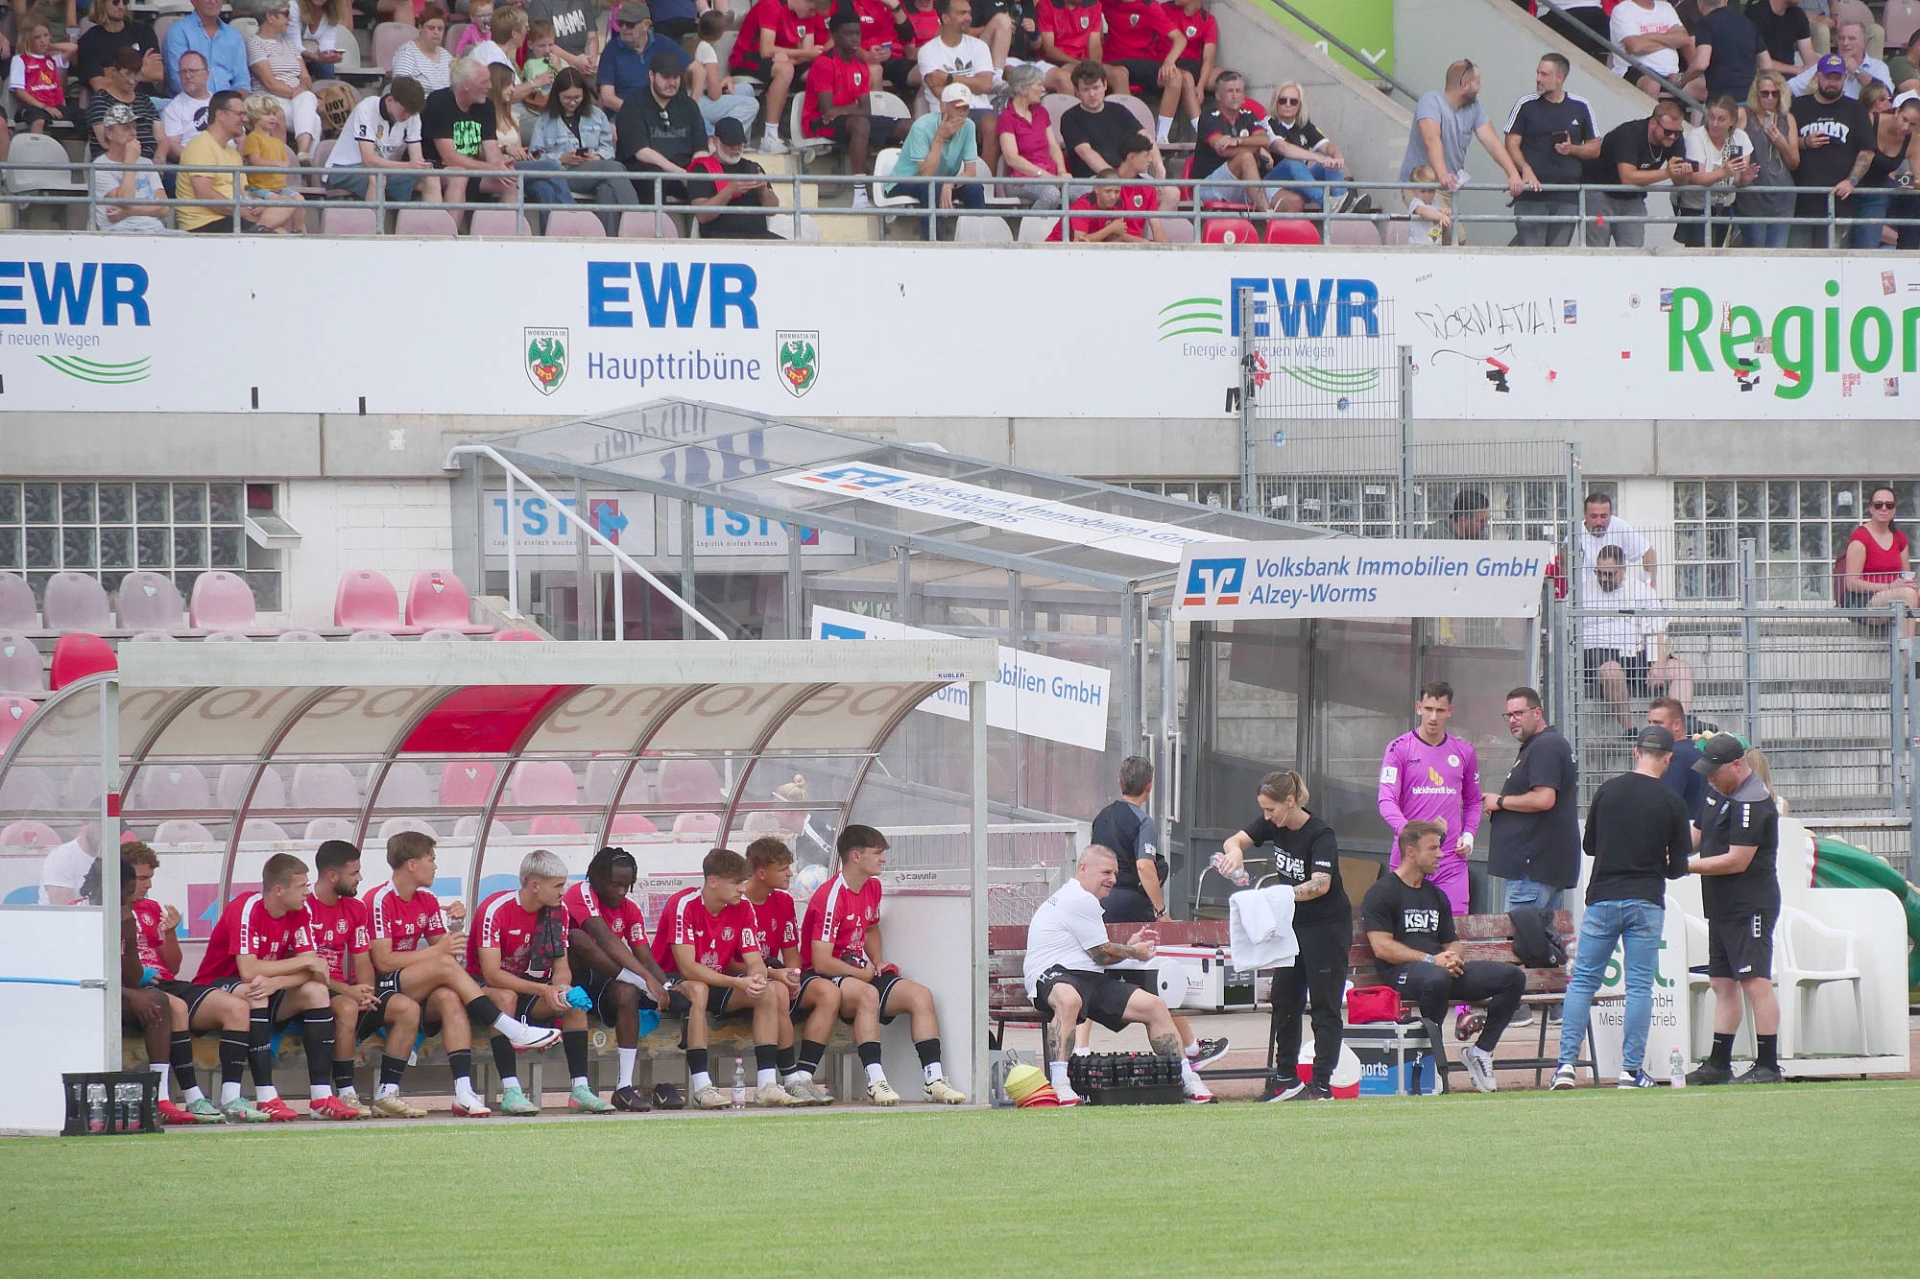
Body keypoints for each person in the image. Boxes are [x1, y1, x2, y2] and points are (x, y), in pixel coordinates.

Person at [370, 831, 561, 1119]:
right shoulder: (380, 898)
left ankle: (463, 1092)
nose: (435, 866)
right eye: (431, 859)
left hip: (417, 986)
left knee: (450, 997)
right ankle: (511, 1029)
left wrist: (455, 928)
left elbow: (446, 953)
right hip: (383, 987)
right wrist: (439, 951)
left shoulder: (428, 900)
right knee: (445, 967)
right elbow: (384, 961)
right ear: (411, 864)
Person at [1550, 726, 1693, 1091]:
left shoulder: (1608, 790)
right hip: (1646, 897)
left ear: (1636, 752)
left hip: (1603, 896)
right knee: (1640, 985)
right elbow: (1678, 867)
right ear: (1668, 758)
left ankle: (1565, 1066)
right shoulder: (1672, 801)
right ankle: (1630, 1070)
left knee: (1583, 981)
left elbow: (1590, 845)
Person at [1022, 845, 1215, 1105]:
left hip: (1089, 977)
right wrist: (1134, 951)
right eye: (1106, 872)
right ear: (1083, 868)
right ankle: (1060, 1084)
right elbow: (1102, 954)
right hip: (1051, 975)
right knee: (1069, 1000)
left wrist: (1127, 948)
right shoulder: (1077, 898)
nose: (1112, 879)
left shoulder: (1086, 899)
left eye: (1115, 873)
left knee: (1155, 1006)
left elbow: (1097, 955)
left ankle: (1187, 1078)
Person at [804, 824, 967, 1105]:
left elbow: (870, 928)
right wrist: (860, 973)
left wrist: (877, 962)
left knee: (921, 996)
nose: (883, 859)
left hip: (859, 972)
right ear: (856, 856)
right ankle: (876, 1082)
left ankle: (934, 1080)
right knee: (868, 995)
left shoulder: (873, 887)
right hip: (828, 977)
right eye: (877, 853)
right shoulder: (831, 896)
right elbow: (820, 962)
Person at [193, 852, 362, 1121]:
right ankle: (265, 1097)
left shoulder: (301, 911)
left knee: (317, 992)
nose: (307, 892)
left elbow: (315, 971)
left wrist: (280, 981)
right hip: (217, 987)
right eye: (301, 886)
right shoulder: (246, 907)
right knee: (256, 989)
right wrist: (301, 964)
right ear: (279, 890)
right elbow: (249, 970)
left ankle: (321, 1097)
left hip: (265, 988)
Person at [1362, 821, 1526, 1094]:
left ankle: (1481, 1051)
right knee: (1435, 978)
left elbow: (1452, 942)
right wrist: (1431, 960)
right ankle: (1432, 1061)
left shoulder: (1436, 895)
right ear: (1411, 852)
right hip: (1401, 973)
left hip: (1441, 971)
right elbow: (1382, 947)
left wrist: (1453, 957)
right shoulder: (1382, 893)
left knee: (1512, 977)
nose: (1440, 854)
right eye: (1433, 848)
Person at [1215, 772, 1347, 1103]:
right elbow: (1235, 840)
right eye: (1263, 809)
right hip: (1292, 926)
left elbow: (1321, 884)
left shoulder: (1321, 834)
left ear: (1290, 802)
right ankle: (1286, 1077)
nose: (1267, 816)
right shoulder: (1273, 824)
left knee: (1324, 1006)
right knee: (1284, 998)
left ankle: (1321, 1083)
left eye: (1271, 809)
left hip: (1326, 928)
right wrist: (1234, 853)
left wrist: (1278, 896)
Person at [651, 847, 802, 1109]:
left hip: (718, 980)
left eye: (743, 881)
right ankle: (702, 1087)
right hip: (669, 982)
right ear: (713, 881)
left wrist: (756, 978)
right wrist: (737, 982)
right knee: (698, 990)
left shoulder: (743, 907)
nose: (742, 889)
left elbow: (755, 960)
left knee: (768, 990)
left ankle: (767, 1084)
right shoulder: (684, 904)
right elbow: (688, 968)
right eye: (736, 882)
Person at [467, 849, 609, 1114]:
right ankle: (511, 1091)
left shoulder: (558, 911)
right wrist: (545, 990)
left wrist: (562, 990)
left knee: (574, 1003)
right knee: (506, 997)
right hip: (483, 990)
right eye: (557, 886)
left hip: (530, 987)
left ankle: (580, 1090)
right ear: (535, 885)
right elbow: (492, 974)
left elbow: (561, 967)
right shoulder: (495, 909)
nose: (563, 892)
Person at [126, 843, 251, 1122]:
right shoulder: (105, 910)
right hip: (135, 988)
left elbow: (172, 966)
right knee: (176, 1007)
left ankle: (231, 1097)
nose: (148, 885)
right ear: (122, 876)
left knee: (237, 1007)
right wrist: (138, 973)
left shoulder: (152, 909)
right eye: (142, 878)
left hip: (167, 983)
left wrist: (170, 933)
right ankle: (193, 1097)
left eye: (150, 878)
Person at [1686, 732, 1784, 1085]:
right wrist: (1665, 848)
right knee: (1722, 982)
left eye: (1715, 771)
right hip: (1721, 905)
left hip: (1749, 904)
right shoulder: (1717, 791)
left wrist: (1682, 867)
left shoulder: (1754, 801)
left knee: (1755, 981)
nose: (1709, 777)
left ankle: (1768, 1065)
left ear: (1737, 765)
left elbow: (1737, 860)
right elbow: (1698, 834)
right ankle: (1718, 1064)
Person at [305, 840, 426, 1119]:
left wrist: (367, 993)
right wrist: (350, 992)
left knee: (408, 1009)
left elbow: (362, 959)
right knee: (347, 1006)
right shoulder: (304, 907)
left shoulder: (355, 908)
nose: (360, 878)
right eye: (354, 873)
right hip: (311, 990)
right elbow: (307, 969)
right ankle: (345, 1091)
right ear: (332, 876)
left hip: (344, 989)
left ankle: (387, 1093)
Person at [560, 846, 684, 1111]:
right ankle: (640, 985)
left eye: (626, 886)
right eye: (615, 885)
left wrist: (665, 986)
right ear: (597, 879)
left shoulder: (629, 908)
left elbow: (645, 955)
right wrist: (645, 980)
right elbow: (604, 939)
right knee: (578, 937)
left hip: (607, 980)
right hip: (572, 980)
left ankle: (623, 1088)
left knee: (628, 993)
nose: (620, 892)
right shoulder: (581, 892)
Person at [740, 836, 840, 1104]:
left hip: (776, 975)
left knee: (828, 992)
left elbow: (791, 955)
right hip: (745, 981)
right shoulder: (737, 901)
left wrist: (793, 976)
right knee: (779, 992)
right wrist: (777, 976)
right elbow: (727, 962)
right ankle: (789, 1078)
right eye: (783, 868)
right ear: (762, 873)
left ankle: (804, 1077)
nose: (790, 873)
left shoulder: (783, 901)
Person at [1377, 681, 1482, 918]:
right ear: (1418, 708)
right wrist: (1410, 832)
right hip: (1409, 857)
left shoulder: (1464, 751)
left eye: (1440, 710)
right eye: (1428, 709)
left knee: (1454, 928)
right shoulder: (1398, 748)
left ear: (1450, 711)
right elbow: (1386, 800)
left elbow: (1474, 801)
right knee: (1405, 928)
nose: (1433, 717)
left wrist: (1469, 835)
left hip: (1450, 861)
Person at [1398, 58, 1533, 231]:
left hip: (1446, 189)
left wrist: (1513, 174)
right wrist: (1443, 174)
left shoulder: (1474, 107)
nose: (1480, 88)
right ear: (1464, 85)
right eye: (1477, 83)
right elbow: (1431, 140)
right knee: (1444, 236)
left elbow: (1491, 141)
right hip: (1422, 187)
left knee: (1450, 239)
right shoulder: (1430, 102)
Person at [1485, 686, 1580, 913]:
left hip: (1533, 869)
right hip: (1540, 869)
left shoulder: (1545, 746)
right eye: (1509, 715)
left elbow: (1544, 799)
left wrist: (1501, 802)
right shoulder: (1540, 745)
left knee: (1521, 934)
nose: (1513, 720)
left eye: (1519, 713)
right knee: (1540, 935)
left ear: (1537, 713)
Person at [803, 14, 911, 205]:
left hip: (850, 118)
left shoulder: (860, 65)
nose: (855, 39)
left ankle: (904, 183)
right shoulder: (824, 63)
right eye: (849, 34)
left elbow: (866, 108)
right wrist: (850, 109)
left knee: (908, 126)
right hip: (818, 122)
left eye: (858, 34)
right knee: (860, 125)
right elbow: (827, 110)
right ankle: (859, 194)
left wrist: (843, 110)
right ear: (835, 36)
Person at [1505, 53, 1599, 247]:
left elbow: (1595, 148)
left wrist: (1572, 149)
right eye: (1538, 73)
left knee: (1558, 254)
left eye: (1544, 74)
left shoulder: (1580, 105)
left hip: (1567, 195)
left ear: (1560, 78)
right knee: (1531, 251)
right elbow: (1511, 143)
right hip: (1532, 195)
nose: (1538, 78)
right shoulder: (1526, 104)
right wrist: (1525, 170)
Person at [529, 66, 637, 230]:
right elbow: (534, 158)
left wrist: (596, 157)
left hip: (593, 170)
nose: (572, 102)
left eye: (577, 97)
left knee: (607, 190)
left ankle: (607, 239)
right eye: (567, 98)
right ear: (557, 95)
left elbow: (608, 148)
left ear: (584, 94)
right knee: (614, 168)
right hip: (563, 174)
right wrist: (560, 158)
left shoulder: (597, 115)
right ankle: (636, 221)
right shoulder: (544, 121)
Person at [178, 89, 300, 233]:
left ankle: (256, 230)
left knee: (286, 206)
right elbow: (205, 194)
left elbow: (244, 193)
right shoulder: (201, 145)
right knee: (275, 234)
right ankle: (256, 231)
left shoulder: (233, 154)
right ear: (220, 115)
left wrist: (258, 204)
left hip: (233, 217)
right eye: (240, 114)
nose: (245, 119)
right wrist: (242, 212)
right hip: (205, 223)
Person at [1789, 52, 1873, 248]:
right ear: (1817, 76)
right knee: (1797, 260)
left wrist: (1851, 181)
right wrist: (1804, 142)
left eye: (1837, 78)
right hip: (1800, 201)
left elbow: (1867, 151)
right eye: (1828, 77)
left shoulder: (1855, 109)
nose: (1832, 83)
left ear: (1845, 78)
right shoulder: (1798, 106)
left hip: (1839, 202)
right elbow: (1784, 144)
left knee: (1832, 262)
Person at [887, 80, 987, 238]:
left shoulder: (969, 126)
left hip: (941, 182)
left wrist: (950, 183)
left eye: (965, 108)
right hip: (905, 180)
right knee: (931, 187)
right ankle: (933, 243)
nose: (962, 113)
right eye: (957, 107)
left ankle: (977, 240)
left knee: (975, 189)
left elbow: (971, 171)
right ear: (943, 106)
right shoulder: (921, 126)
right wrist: (940, 137)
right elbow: (926, 175)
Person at [1585, 100, 1692, 247]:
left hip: (1633, 197)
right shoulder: (1629, 133)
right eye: (1668, 132)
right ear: (1653, 123)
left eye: (1677, 132)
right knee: (1598, 250)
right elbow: (1627, 178)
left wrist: (1683, 175)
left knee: (1634, 251)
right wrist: (1667, 173)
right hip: (1599, 193)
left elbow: (1678, 180)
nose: (1672, 137)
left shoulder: (1675, 139)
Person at [422, 56, 518, 220]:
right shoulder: (438, 102)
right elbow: (448, 157)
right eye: (484, 82)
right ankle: (450, 232)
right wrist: (489, 168)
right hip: (436, 167)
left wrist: (501, 167)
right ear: (466, 85)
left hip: (471, 167)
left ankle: (507, 231)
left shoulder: (486, 106)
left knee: (509, 179)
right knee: (459, 175)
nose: (490, 86)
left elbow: (492, 151)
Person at [730, 0, 828, 153]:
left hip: (783, 59)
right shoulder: (772, 5)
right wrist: (803, 55)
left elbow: (807, 55)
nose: (813, 14)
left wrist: (794, 58)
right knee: (785, 70)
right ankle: (770, 137)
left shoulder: (805, 15)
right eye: (811, 9)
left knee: (819, 73)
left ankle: (814, 131)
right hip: (748, 56)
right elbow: (766, 49)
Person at [325, 75, 438, 204]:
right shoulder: (366, 108)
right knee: (377, 177)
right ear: (390, 100)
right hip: (343, 168)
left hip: (383, 169)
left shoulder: (412, 115)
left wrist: (421, 167)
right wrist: (408, 165)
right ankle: (376, 218)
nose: (407, 116)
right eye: (404, 110)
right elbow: (369, 160)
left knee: (430, 178)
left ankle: (435, 218)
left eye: (411, 112)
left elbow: (416, 158)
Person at [916, 0, 999, 169]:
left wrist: (948, 78)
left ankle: (985, 180)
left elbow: (985, 85)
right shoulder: (928, 51)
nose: (969, 18)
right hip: (947, 110)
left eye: (969, 13)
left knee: (993, 123)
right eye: (962, 13)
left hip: (981, 110)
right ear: (945, 18)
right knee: (965, 121)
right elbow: (939, 91)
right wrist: (972, 84)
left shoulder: (979, 46)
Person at [615, 51, 705, 206]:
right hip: (645, 170)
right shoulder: (633, 105)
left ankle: (707, 221)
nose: (672, 83)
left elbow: (701, 148)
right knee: (653, 175)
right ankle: (654, 222)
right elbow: (642, 152)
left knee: (709, 176)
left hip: (684, 170)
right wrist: (680, 173)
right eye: (666, 77)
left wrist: (695, 171)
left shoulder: (689, 105)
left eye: (676, 77)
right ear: (651, 75)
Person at [1097, 0, 1186, 144]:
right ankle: (1127, 135)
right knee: (1120, 75)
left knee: (1175, 77)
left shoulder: (1150, 6)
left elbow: (1180, 39)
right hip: (1114, 62)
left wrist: (1169, 61)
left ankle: (1161, 138)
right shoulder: (1108, 3)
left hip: (1142, 63)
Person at [1190, 70, 1281, 212]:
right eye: (1229, 91)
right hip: (1208, 186)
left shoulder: (1248, 115)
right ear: (1218, 95)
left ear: (1243, 95)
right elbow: (1224, 150)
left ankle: (1281, 226)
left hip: (1242, 184)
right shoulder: (1208, 117)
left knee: (1292, 200)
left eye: (1238, 91)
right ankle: (1267, 215)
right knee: (1246, 157)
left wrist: (1238, 141)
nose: (1234, 95)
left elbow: (1264, 139)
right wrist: (1256, 148)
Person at [245, 0, 323, 160]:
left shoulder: (289, 43)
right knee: (312, 116)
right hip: (271, 100)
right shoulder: (254, 44)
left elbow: (306, 76)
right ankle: (305, 158)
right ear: (270, 17)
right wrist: (298, 92)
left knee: (309, 102)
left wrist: (303, 89)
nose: (290, 19)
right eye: (286, 14)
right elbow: (270, 83)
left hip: (297, 99)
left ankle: (303, 155)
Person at [1265, 81, 1355, 213]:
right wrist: (1316, 157)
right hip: (1273, 185)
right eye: (1283, 101)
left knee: (1330, 163)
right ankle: (1327, 204)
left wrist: (1337, 156)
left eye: (1293, 101)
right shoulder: (1268, 123)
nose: (1288, 105)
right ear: (1275, 102)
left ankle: (1341, 200)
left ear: (1299, 105)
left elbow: (1327, 146)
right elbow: (1282, 148)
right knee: (1293, 162)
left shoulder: (1304, 125)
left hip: (1300, 185)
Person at [1735, 68, 1801, 247]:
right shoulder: (1743, 114)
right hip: (1752, 196)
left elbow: (1794, 163)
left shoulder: (1788, 119)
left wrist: (1782, 143)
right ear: (1756, 94)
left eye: (1775, 93)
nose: (1770, 98)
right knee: (1755, 253)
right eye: (1765, 93)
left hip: (1782, 198)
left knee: (1777, 254)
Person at [1846, 88, 1915, 250]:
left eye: (1913, 124)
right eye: (1904, 119)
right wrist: (1849, 181)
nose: (1906, 127)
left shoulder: (1914, 141)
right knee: (1837, 244)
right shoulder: (1870, 120)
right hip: (1848, 189)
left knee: (1867, 248)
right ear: (1896, 112)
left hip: (1876, 195)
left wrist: (1908, 182)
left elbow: (1917, 177)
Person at [687, 116, 779, 235]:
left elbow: (773, 210)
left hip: (758, 237)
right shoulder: (701, 170)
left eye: (739, 144)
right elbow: (702, 215)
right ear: (715, 141)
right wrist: (729, 191)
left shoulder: (753, 167)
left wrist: (763, 190)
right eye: (730, 144)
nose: (736, 148)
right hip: (721, 238)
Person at [1841, 484, 1920, 617]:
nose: (1884, 508)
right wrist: (1889, 587)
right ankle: (1906, 632)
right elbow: (1851, 583)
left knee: (1910, 592)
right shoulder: (1860, 538)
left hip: (1896, 595)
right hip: (1864, 599)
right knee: (1908, 594)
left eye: (1889, 505)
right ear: (1871, 508)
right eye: (1878, 505)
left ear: (1894, 509)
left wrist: (1910, 584)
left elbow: (1906, 576)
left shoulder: (1899, 538)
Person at [91, 103, 172, 232]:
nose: (133, 133)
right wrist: (129, 162)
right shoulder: (100, 166)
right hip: (119, 231)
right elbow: (126, 201)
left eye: (134, 127)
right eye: (126, 128)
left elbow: (164, 208)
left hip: (154, 229)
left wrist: (129, 212)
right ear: (109, 133)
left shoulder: (146, 163)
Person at [598, 2, 691, 112]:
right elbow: (607, 98)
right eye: (620, 23)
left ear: (646, 25)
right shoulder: (611, 51)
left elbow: (698, 70)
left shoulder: (662, 42)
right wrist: (640, 113)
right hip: (628, 113)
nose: (623, 28)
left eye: (630, 24)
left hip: (667, 110)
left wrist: (694, 102)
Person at [997, 62, 1066, 209]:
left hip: (1051, 175)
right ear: (1024, 88)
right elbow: (1012, 158)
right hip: (1020, 180)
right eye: (1039, 85)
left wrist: (1062, 171)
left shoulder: (1041, 112)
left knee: (1084, 192)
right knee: (1051, 194)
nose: (1043, 89)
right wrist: (1044, 176)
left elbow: (1053, 146)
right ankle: (1031, 223)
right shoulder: (1007, 117)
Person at [238, 94, 309, 232]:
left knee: (300, 199)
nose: (272, 118)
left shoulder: (277, 142)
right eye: (267, 114)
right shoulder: (253, 138)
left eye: (273, 114)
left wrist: (283, 165)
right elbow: (254, 161)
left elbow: (285, 163)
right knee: (277, 199)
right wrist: (276, 164)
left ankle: (297, 231)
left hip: (279, 186)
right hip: (259, 187)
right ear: (255, 117)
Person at [86, 47, 168, 161]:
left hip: (150, 164)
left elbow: (161, 139)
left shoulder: (144, 100)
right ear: (114, 72)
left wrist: (159, 158)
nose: (132, 80)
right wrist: (133, 160)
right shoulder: (100, 101)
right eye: (127, 74)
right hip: (115, 164)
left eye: (136, 74)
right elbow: (105, 142)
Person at [688, 9, 760, 135]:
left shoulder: (696, 44)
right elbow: (714, 95)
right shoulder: (707, 51)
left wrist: (726, 81)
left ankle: (743, 142)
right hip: (698, 102)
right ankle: (725, 138)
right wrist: (725, 82)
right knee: (752, 105)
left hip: (700, 96)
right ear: (720, 33)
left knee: (747, 89)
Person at [163, 0, 251, 94]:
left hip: (229, 100)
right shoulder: (178, 32)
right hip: (190, 100)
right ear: (194, 1)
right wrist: (208, 100)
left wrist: (234, 99)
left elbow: (242, 82)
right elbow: (178, 81)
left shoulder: (234, 36)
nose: (213, 1)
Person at [1786, 18, 1890, 97]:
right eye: (1841, 38)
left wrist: (1857, 71)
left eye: (1851, 39)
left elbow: (1885, 95)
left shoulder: (1878, 67)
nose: (1845, 43)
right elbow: (1788, 88)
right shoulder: (1825, 64)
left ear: (1864, 43)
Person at [75, 0, 162, 95]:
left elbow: (158, 74)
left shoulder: (145, 32)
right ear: (101, 4)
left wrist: (116, 73)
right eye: (115, 2)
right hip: (113, 100)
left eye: (125, 2)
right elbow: (99, 85)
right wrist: (142, 71)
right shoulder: (89, 40)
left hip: (150, 98)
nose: (121, 6)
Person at [1611, 0, 1694, 95]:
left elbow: (1684, 39)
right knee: (1653, 83)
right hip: (1636, 71)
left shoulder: (1666, 7)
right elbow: (1635, 47)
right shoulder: (1623, 10)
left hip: (1672, 74)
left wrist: (1649, 37)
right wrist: (1670, 39)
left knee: (1702, 85)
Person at [1685, 0, 1761, 102]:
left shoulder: (1705, 23)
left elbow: (1701, 64)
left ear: (1699, 3)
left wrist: (1681, 80)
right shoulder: (1748, 23)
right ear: (1725, 2)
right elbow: (1766, 65)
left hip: (1722, 102)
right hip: (1750, 98)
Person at [1580, 491, 1658, 590]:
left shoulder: (1620, 527)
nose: (1599, 522)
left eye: (1604, 516)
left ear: (1611, 514)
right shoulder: (1575, 533)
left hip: (1616, 592)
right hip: (1585, 593)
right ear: (1585, 514)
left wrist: (1650, 585)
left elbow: (1647, 551)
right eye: (1594, 516)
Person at [10, 20, 77, 133]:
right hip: (32, 107)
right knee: (39, 119)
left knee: (86, 116)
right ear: (28, 39)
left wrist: (50, 46)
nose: (43, 40)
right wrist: (44, 107)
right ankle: (36, 144)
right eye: (37, 37)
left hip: (55, 106)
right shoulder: (20, 59)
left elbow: (73, 47)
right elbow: (20, 91)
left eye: (46, 35)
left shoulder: (52, 59)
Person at [1649, 696, 1707, 818]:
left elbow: (1666, 803)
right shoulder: (1692, 750)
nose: (1651, 728)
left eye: (1658, 723)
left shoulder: (1676, 756)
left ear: (1677, 724)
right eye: (1649, 722)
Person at [526, 0, 602, 74]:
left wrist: (591, 61)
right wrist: (575, 61)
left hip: (583, 62)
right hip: (554, 65)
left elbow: (592, 35)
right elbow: (544, 44)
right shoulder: (540, 3)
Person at [391, 5, 455, 93]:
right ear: (420, 27)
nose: (436, 32)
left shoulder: (446, 55)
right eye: (431, 28)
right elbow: (401, 89)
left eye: (440, 29)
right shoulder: (407, 53)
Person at [160, 51, 215, 152]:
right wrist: (196, 159)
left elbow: (240, 138)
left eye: (193, 71)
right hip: (195, 158)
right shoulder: (173, 109)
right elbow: (171, 146)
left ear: (207, 74)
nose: (188, 76)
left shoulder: (221, 101)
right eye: (183, 72)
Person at [1748, 0, 1814, 77]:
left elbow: (1809, 55)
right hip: (1763, 78)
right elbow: (1758, 61)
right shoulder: (1755, 14)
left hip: (1790, 79)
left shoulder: (1798, 13)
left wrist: (1815, 70)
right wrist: (1797, 70)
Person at [1425, 488, 1489, 540]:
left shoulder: (1479, 533)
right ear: (1463, 519)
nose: (1486, 525)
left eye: (1486, 520)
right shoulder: (1437, 535)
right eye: (1481, 521)